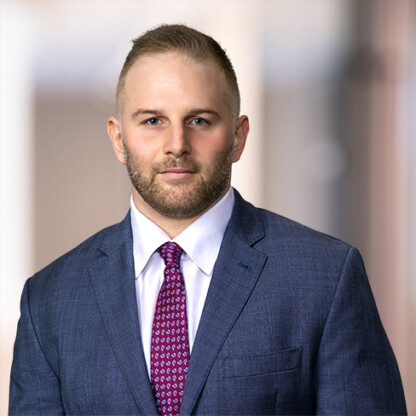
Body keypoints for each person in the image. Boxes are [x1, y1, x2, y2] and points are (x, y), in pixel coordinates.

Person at [9, 24, 407, 416]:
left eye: (199, 120)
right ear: (118, 139)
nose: (176, 145)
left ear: (237, 136)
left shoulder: (326, 277)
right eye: (152, 121)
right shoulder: (49, 301)